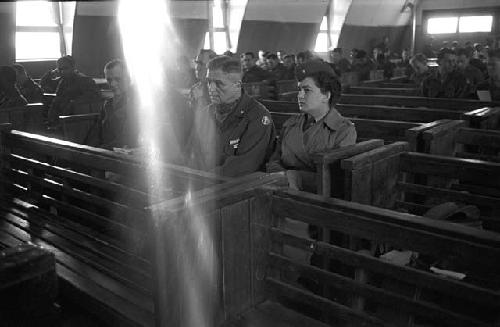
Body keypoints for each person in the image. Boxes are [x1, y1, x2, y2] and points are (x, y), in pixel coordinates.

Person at [266, 60, 356, 191]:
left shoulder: (343, 130)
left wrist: (292, 177)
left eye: (307, 90)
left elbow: (335, 180)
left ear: (326, 95)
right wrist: (278, 175)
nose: (300, 95)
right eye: (299, 90)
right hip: (281, 190)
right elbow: (275, 160)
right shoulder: (291, 124)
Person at [186, 56, 276, 177]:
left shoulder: (257, 117)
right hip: (202, 185)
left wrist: (204, 181)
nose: (211, 88)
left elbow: (244, 165)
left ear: (237, 85)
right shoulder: (205, 114)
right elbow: (191, 153)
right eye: (209, 82)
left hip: (235, 189)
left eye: (219, 83)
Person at [47, 55, 100, 123]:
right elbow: (44, 84)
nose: (62, 71)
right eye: (60, 69)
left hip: (78, 118)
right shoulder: (62, 81)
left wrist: (74, 102)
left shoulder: (83, 80)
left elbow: (96, 95)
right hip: (62, 118)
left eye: (65, 68)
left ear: (73, 67)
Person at [100, 59, 138, 149]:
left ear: (129, 78)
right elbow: (100, 133)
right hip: (108, 152)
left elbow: (129, 139)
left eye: (118, 79)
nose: (112, 84)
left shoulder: (138, 102)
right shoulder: (108, 104)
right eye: (109, 80)